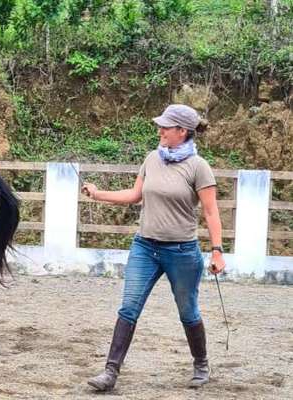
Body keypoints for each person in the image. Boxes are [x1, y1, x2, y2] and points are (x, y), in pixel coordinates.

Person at [82, 104, 226, 391]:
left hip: (182, 252)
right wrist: (99, 194)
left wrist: (217, 251)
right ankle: (110, 372)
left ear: (182, 132)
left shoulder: (198, 167)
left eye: (166, 127)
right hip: (145, 247)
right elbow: (135, 195)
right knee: (128, 307)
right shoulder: (151, 159)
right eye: (160, 125)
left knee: (188, 311)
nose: (160, 130)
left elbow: (211, 212)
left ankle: (201, 363)